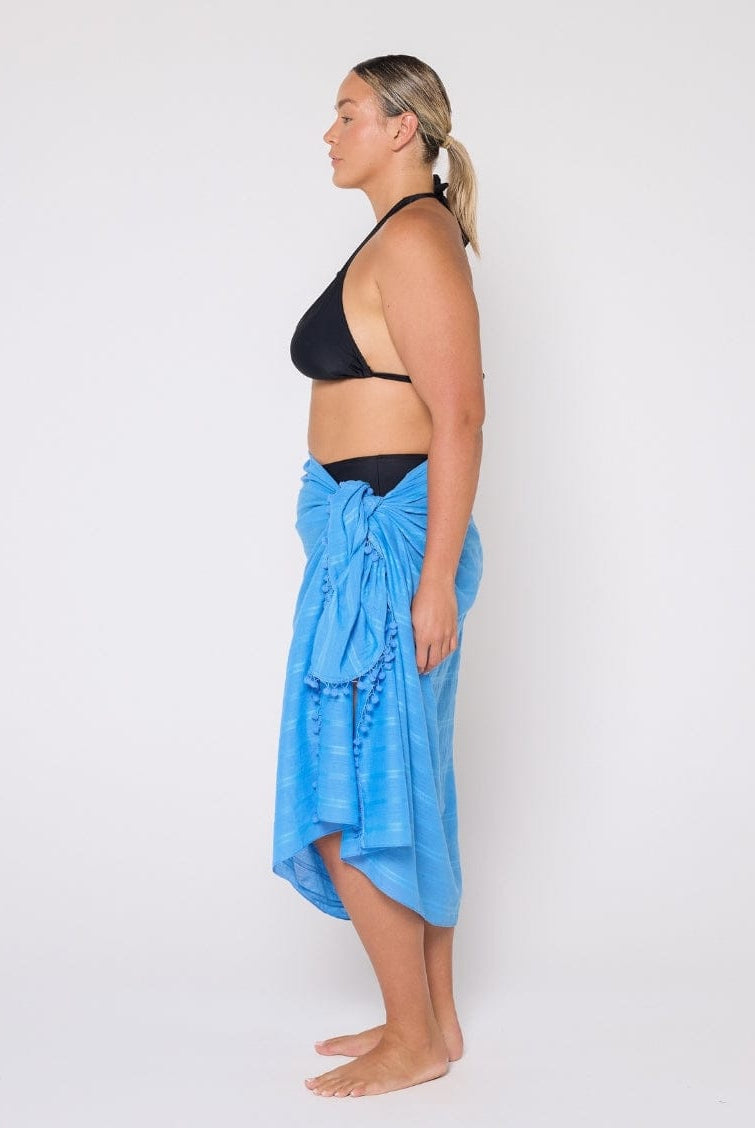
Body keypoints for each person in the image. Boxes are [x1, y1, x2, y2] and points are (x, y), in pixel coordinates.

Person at [272, 53, 485, 1099]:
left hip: (392, 555)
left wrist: (435, 576)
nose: (330, 131)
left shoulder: (413, 239)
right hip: (368, 549)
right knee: (402, 783)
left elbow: (458, 415)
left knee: (347, 795)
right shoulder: (401, 234)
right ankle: (431, 1023)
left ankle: (411, 1036)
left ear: (402, 128)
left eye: (348, 112)